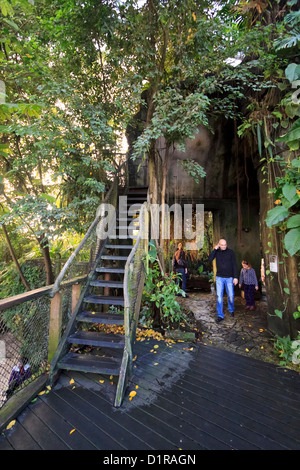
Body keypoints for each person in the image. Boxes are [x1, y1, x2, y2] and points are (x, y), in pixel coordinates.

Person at [208, 238, 238, 323]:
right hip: (219, 278)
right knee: (219, 297)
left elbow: (234, 265)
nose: (224, 246)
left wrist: (235, 277)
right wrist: (215, 249)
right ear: (219, 245)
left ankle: (231, 309)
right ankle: (220, 315)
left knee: (231, 295)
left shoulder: (231, 252)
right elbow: (210, 259)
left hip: (229, 278)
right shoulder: (216, 252)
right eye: (222, 245)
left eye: (225, 244)